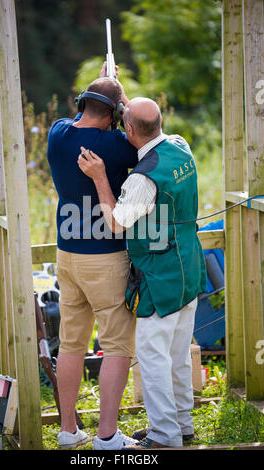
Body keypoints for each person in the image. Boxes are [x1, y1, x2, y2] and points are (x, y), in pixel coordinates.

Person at [77, 97, 207, 449]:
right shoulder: (181, 146)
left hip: (159, 275)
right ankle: (182, 424)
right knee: (179, 355)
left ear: (129, 129)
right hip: (188, 267)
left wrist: (100, 177)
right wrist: (127, 102)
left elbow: (117, 223)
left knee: (152, 360)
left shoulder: (141, 180)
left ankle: (165, 436)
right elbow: (145, 120)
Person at [47, 65, 138, 450]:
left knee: (71, 344)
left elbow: (77, 117)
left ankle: (69, 431)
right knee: (116, 345)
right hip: (106, 258)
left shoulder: (57, 133)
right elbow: (143, 131)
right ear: (115, 115)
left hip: (67, 255)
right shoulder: (118, 145)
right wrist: (124, 100)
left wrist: (105, 86)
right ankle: (106, 436)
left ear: (82, 102)